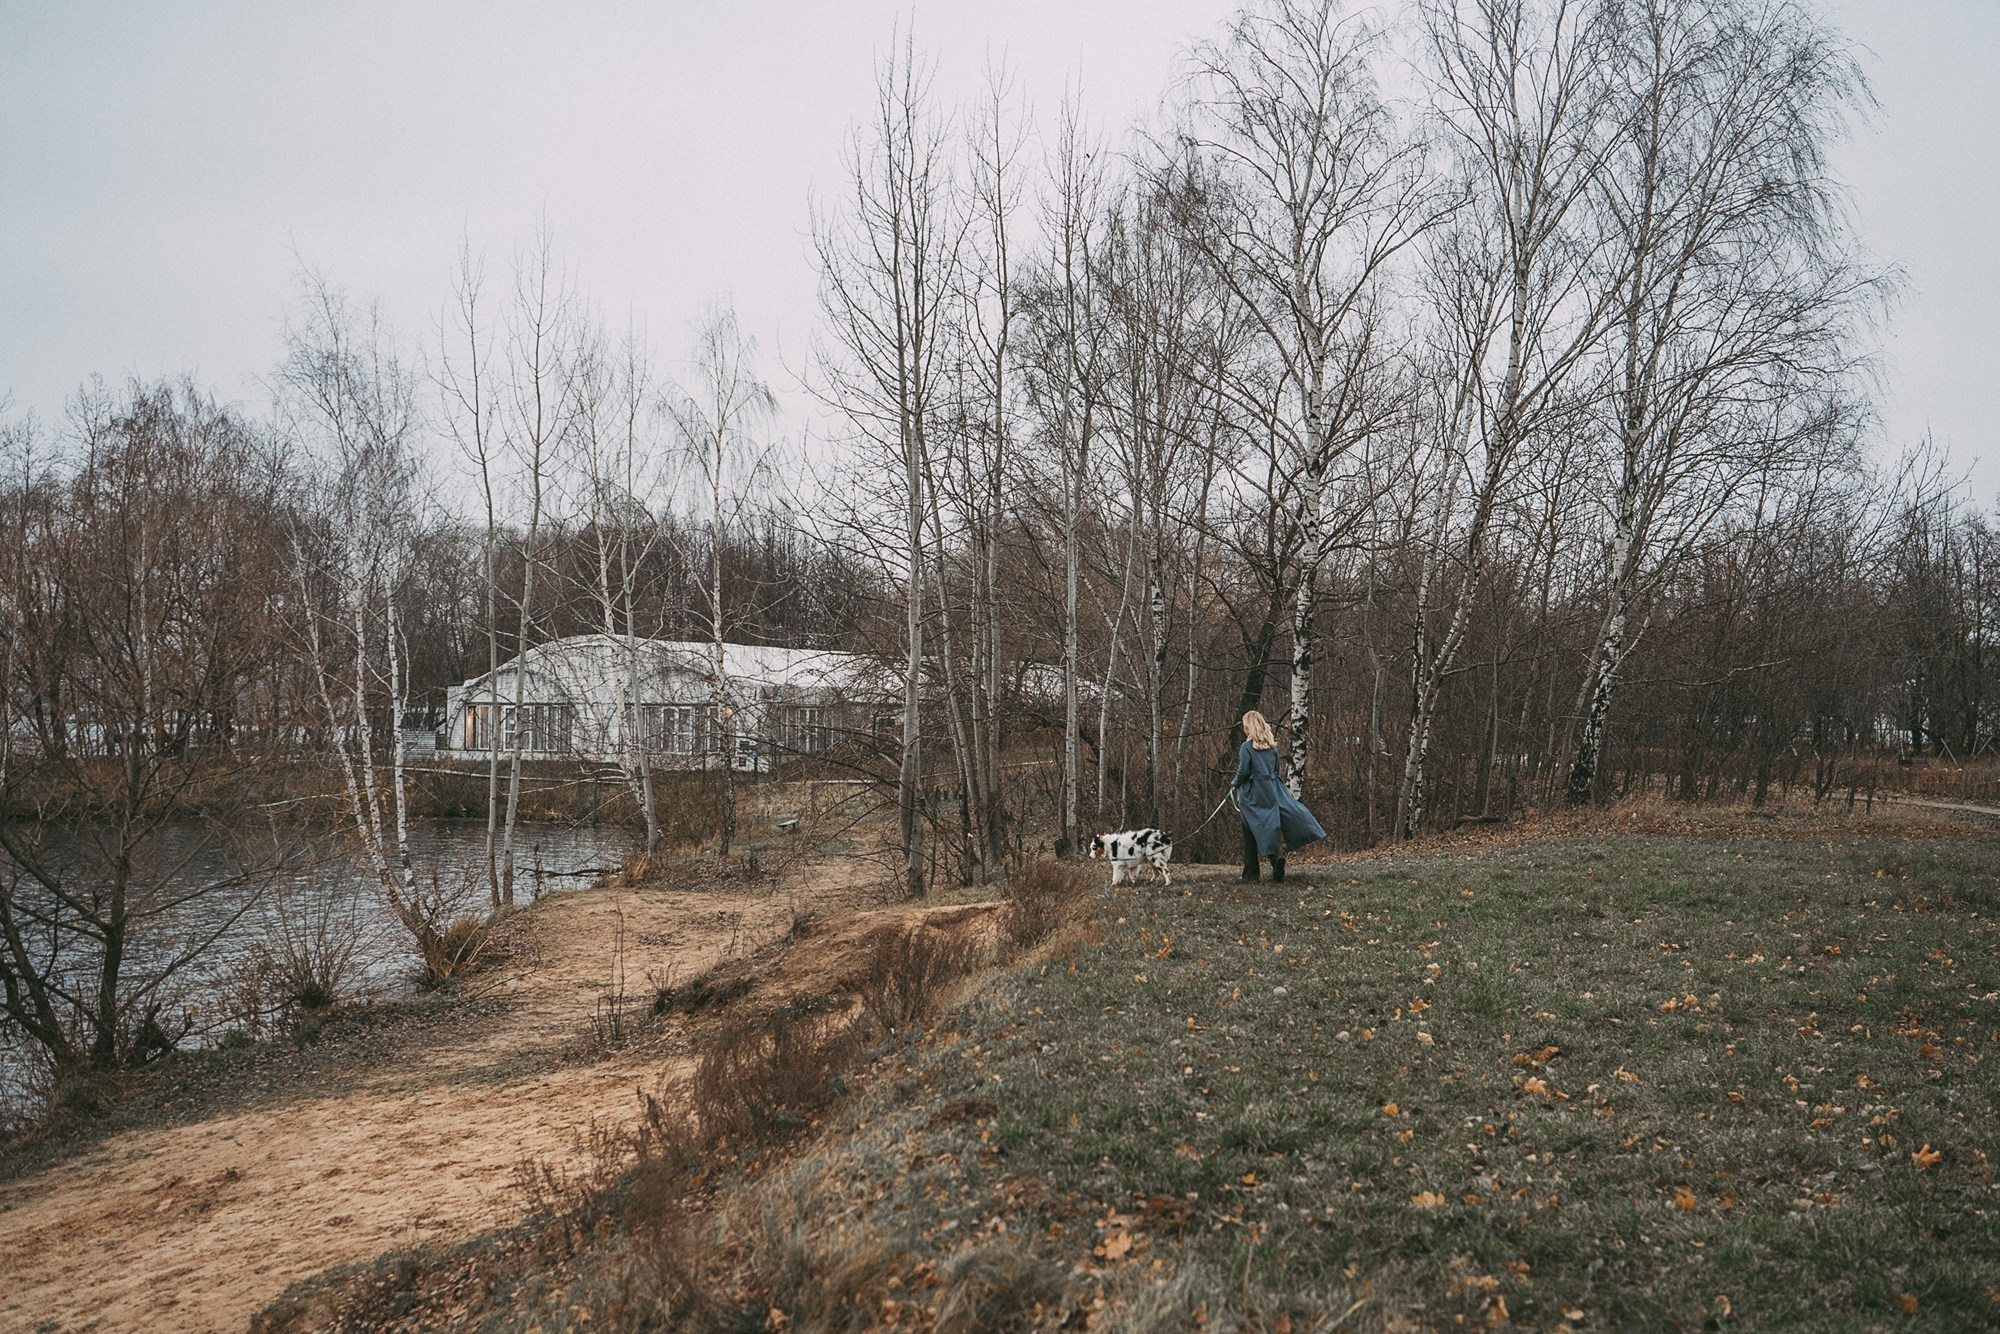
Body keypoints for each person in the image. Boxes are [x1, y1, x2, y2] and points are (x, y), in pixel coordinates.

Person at [1234, 709, 1326, 882]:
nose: (1244, 729)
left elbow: (1243, 770)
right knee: (1269, 825)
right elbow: (1276, 771)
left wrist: (1235, 783)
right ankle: (1275, 859)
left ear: (1249, 727)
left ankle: (1251, 874)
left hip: (1253, 793)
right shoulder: (1272, 749)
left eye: (1245, 725)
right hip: (1271, 790)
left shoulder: (1246, 747)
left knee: (1249, 830)